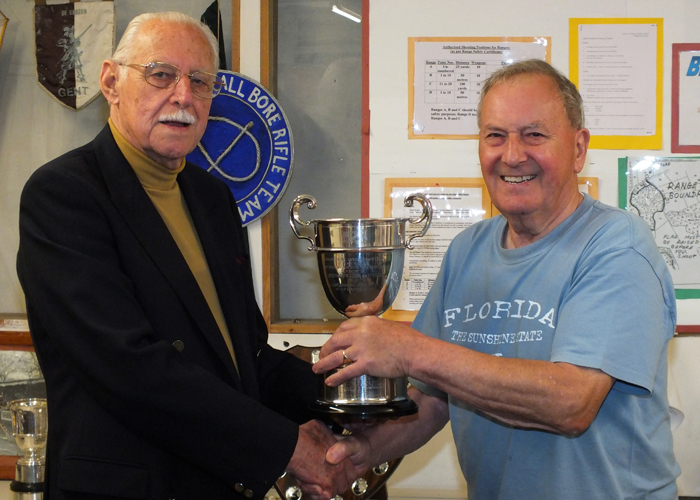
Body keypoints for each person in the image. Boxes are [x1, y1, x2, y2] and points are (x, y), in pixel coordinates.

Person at [17, 12, 358, 500]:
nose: (182, 96)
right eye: (161, 75)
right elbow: (128, 368)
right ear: (112, 81)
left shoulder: (211, 199)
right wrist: (289, 447)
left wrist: (355, 396)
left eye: (200, 81)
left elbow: (246, 358)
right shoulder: (64, 195)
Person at [313, 59, 681, 499]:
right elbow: (432, 400)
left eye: (534, 135)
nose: (511, 155)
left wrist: (408, 349)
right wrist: (358, 453)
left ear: (578, 148)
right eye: (495, 136)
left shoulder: (617, 247)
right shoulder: (467, 250)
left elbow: (571, 402)